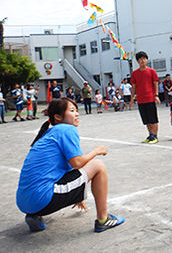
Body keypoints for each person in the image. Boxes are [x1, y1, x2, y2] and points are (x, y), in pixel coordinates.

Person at [16, 98, 124, 233]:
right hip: (42, 199)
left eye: (77, 110)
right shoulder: (66, 129)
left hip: (24, 202)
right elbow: (77, 162)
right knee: (98, 165)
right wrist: (97, 150)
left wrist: (76, 194)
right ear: (58, 117)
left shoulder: (48, 133)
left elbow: (71, 169)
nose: (77, 114)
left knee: (44, 182)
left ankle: (34, 216)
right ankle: (103, 219)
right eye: (72, 111)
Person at [130, 51, 161, 144]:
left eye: (144, 58)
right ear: (138, 61)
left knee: (153, 119)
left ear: (146, 60)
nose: (142, 60)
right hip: (140, 99)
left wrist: (156, 95)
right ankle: (150, 135)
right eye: (140, 59)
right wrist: (132, 98)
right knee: (146, 119)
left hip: (150, 98)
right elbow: (134, 87)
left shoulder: (152, 71)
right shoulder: (135, 73)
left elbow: (155, 84)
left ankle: (155, 136)